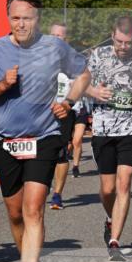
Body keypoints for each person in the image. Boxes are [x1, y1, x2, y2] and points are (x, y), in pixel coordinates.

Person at [0, 0, 90, 262]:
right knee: (14, 214)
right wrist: (2, 85)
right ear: (7, 18)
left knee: (33, 208)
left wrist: (68, 102)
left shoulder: (54, 47)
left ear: (37, 18)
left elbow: (83, 73)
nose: (21, 23)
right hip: (7, 141)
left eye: (27, 17)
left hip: (44, 137)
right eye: (15, 17)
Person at [84, 15, 132, 261]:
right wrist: (94, 91)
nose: (123, 47)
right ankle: (109, 217)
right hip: (103, 128)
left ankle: (115, 242)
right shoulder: (98, 56)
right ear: (112, 35)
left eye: (128, 43)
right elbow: (81, 83)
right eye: (119, 41)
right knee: (107, 190)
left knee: (124, 182)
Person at [48, 22, 76, 209]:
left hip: (65, 111)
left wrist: (68, 102)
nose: (58, 39)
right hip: (41, 111)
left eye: (61, 36)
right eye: (55, 36)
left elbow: (80, 84)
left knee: (61, 153)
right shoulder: (38, 56)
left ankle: (57, 194)